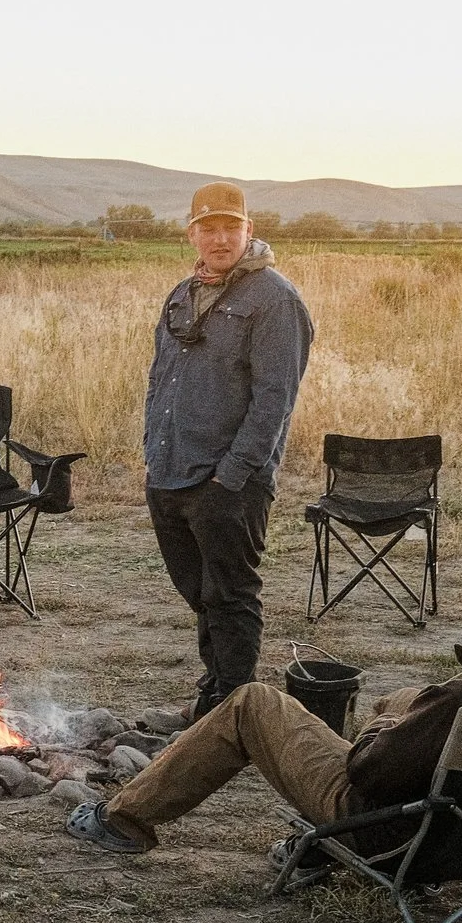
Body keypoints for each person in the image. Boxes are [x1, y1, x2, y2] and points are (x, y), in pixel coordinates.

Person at [66, 550, 462, 855]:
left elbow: (367, 772)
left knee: (254, 702)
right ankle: (391, 722)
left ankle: (122, 819)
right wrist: (403, 715)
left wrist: (381, 733)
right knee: (402, 699)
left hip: (391, 834)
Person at [143, 182, 313, 720]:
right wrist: (153, 451)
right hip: (170, 471)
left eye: (230, 228)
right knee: (202, 593)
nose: (220, 239)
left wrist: (231, 476)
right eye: (208, 228)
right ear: (191, 234)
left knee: (232, 595)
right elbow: (160, 377)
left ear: (249, 230)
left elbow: (275, 399)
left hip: (228, 480)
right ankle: (213, 695)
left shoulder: (274, 299)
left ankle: (235, 710)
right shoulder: (181, 293)